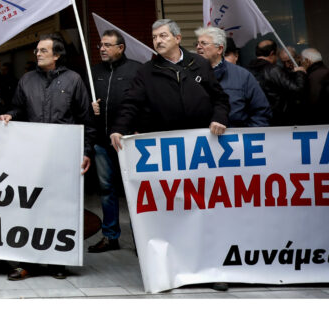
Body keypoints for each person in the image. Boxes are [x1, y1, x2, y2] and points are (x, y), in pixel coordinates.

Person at [111, 19, 231, 291]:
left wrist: (219, 118)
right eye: (154, 37)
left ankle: (211, 270)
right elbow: (131, 103)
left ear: (178, 38)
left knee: (205, 211)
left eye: (163, 35)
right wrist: (119, 128)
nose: (157, 40)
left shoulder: (198, 65)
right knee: (173, 212)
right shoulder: (146, 72)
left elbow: (220, 99)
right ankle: (175, 270)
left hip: (200, 153)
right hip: (167, 155)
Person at [0, 33, 94, 281]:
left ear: (57, 55)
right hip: (32, 157)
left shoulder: (74, 80)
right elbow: (17, 107)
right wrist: (9, 114)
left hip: (64, 157)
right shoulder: (26, 80)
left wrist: (86, 151)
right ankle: (26, 263)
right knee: (29, 208)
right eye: (37, 50)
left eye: (43, 50)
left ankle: (57, 262)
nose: (38, 54)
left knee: (59, 210)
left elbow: (86, 120)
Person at [87, 30, 139, 253]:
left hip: (129, 142)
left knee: (135, 191)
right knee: (107, 190)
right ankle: (110, 236)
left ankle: (141, 239)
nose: (102, 48)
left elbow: (142, 103)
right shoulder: (93, 73)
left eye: (108, 45)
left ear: (121, 48)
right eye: (101, 45)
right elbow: (81, 104)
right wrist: (90, 107)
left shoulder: (136, 70)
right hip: (101, 142)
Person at [195, 27, 271, 127]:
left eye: (203, 43)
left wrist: (246, 138)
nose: (198, 47)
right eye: (197, 43)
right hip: (199, 141)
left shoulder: (243, 76)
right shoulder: (189, 74)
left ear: (220, 49)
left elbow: (261, 113)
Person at [248, 39, 307, 125]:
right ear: (272, 53)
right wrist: (300, 73)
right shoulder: (272, 69)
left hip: (256, 119)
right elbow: (298, 89)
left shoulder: (247, 69)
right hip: (278, 119)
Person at [300, 48, 327, 124]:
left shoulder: (312, 77)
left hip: (319, 122)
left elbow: (313, 101)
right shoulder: (325, 71)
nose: (301, 64)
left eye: (301, 61)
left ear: (307, 61)